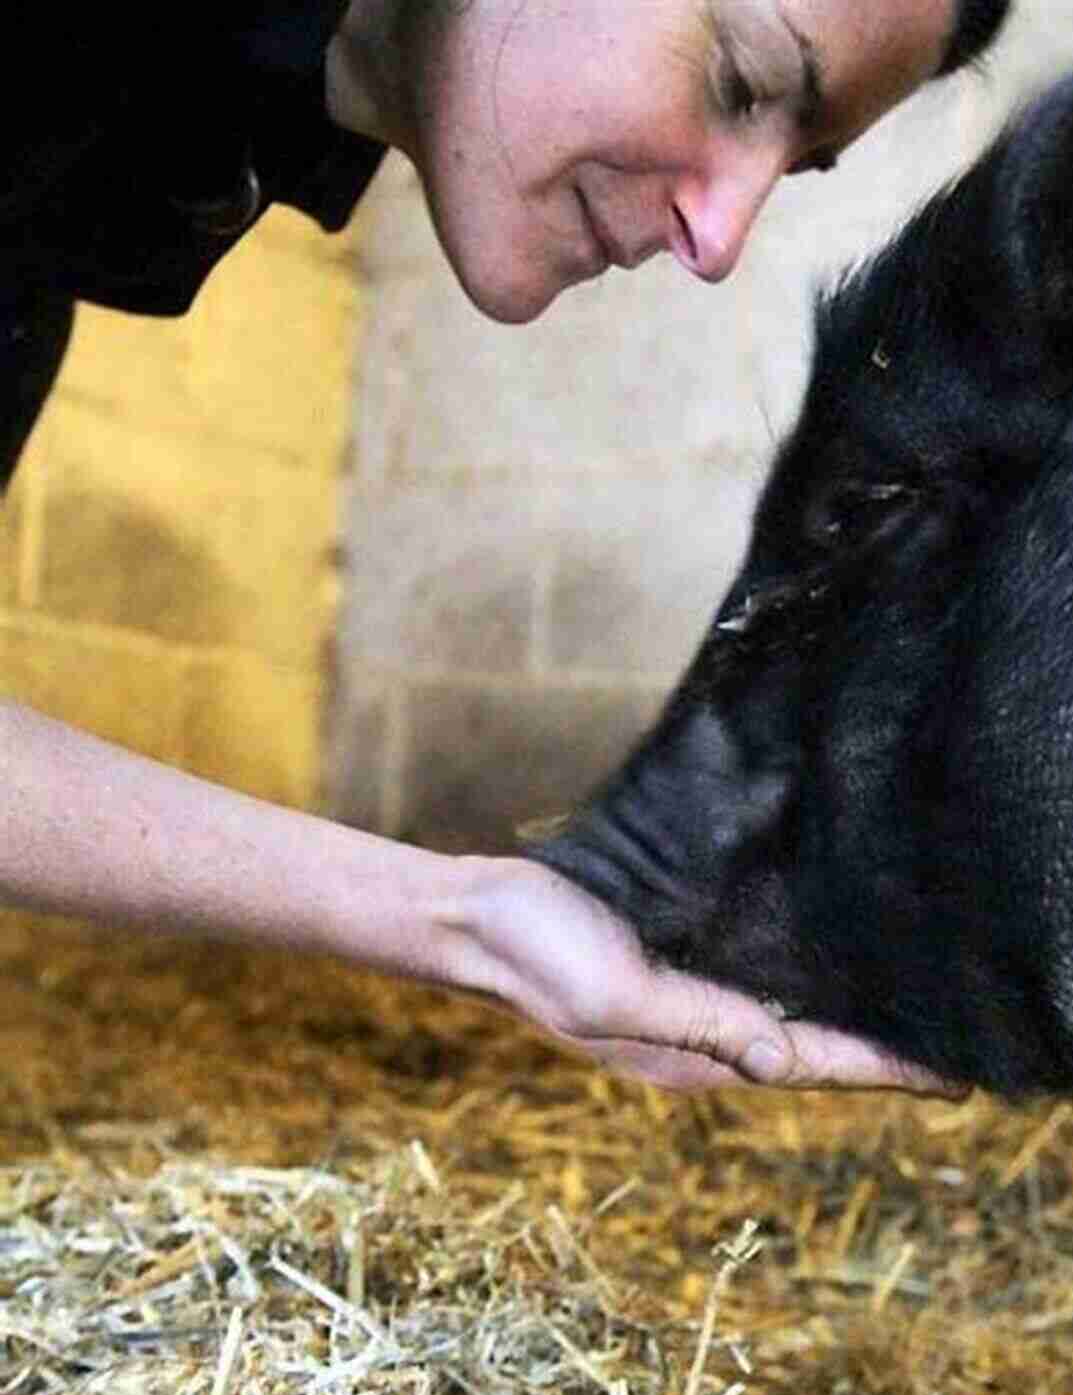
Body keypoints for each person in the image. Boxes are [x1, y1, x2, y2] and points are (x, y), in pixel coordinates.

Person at [0, 0, 1008, 1091]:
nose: (718, 242)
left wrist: (474, 927)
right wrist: (464, 924)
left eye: (792, 167)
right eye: (739, 82)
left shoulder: (163, 150)